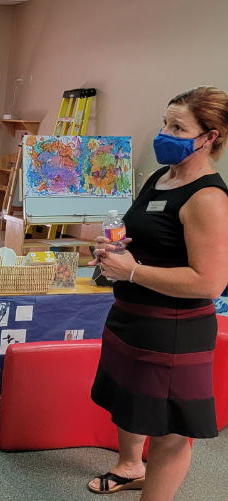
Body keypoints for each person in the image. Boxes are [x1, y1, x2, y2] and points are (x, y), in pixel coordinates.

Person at [88, 86, 228, 499]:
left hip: (174, 332)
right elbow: (149, 237)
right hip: (132, 320)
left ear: (210, 137)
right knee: (129, 403)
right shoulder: (160, 176)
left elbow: (210, 282)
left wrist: (132, 272)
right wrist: (114, 250)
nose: (165, 133)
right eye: (165, 123)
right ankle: (130, 466)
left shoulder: (207, 197)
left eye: (178, 127)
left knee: (169, 432)